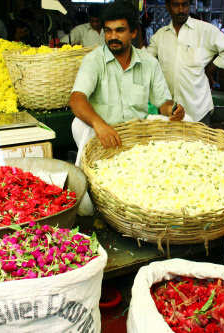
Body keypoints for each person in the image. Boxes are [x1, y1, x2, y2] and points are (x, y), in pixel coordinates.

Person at [69, 1, 186, 215]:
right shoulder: (93, 61)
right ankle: (86, 189)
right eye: (108, 31)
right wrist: (99, 124)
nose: (113, 36)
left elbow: (163, 103)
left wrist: (173, 110)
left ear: (133, 32)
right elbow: (76, 99)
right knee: (80, 123)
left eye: (120, 30)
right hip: (100, 133)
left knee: (185, 123)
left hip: (134, 134)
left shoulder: (148, 62)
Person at [147, 0, 224, 124]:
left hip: (198, 111)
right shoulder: (160, 36)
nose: (181, 10)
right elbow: (146, 60)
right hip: (172, 111)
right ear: (168, 7)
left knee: (200, 143)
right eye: (176, 5)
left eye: (184, 5)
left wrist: (210, 69)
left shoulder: (204, 30)